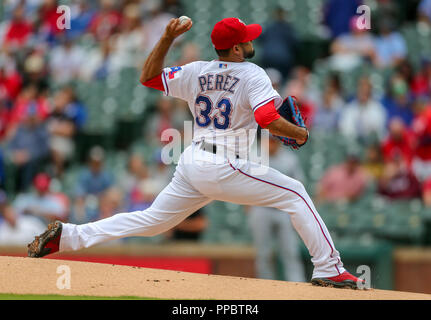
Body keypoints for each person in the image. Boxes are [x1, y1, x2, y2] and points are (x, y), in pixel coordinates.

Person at [28, 17, 364, 289]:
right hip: (223, 163)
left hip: (192, 160)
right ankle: (329, 268)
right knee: (296, 192)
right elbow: (266, 118)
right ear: (235, 48)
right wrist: (299, 133)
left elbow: (147, 77)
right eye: (246, 39)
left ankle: (69, 236)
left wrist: (166, 37)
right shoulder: (253, 73)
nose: (251, 42)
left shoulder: (196, 70)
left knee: (152, 221)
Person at [248, 135, 306, 282]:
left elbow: (299, 185)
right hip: (261, 209)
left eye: (274, 141)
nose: (271, 144)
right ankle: (265, 289)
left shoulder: (289, 159)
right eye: (269, 140)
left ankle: (297, 288)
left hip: (283, 211)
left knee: (290, 252)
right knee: (263, 254)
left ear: (279, 142)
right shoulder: (254, 157)